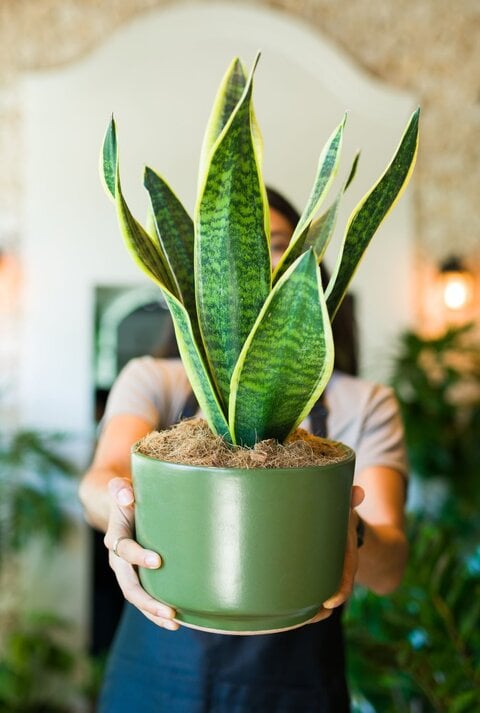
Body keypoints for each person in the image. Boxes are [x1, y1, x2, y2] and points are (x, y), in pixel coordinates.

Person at [79, 187, 408, 712]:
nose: (260, 267)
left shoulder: (364, 401)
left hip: (296, 685)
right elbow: (103, 479)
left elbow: (389, 570)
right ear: (205, 280)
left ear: (310, 268)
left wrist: (350, 527)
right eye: (241, 255)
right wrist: (120, 514)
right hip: (157, 674)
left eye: (279, 245)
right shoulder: (153, 379)